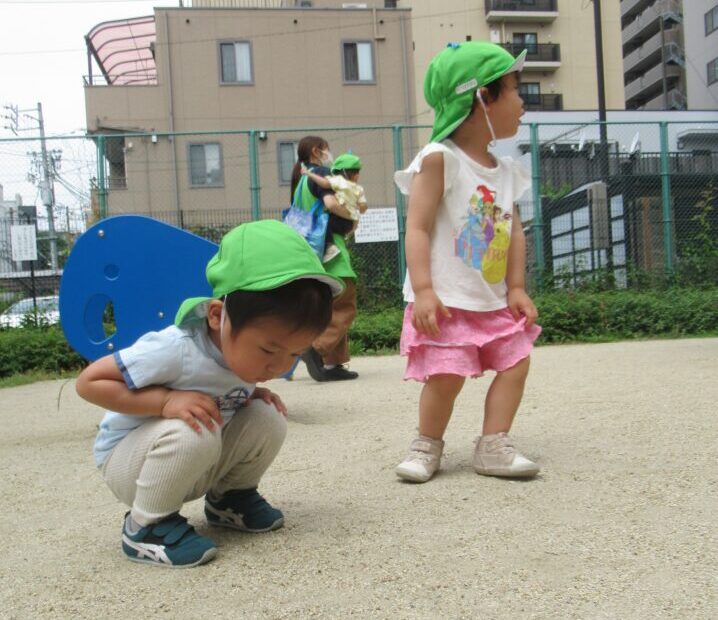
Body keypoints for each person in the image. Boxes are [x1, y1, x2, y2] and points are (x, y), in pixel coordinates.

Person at [75, 220, 343, 567]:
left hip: (191, 457)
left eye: (294, 354)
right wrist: (165, 401)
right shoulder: (176, 348)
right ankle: (145, 527)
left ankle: (230, 500)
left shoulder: (239, 354)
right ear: (217, 316)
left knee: (267, 416)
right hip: (130, 464)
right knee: (195, 426)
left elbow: (217, 384)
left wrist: (249, 394)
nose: (278, 366)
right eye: (268, 350)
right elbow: (90, 382)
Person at [393, 41, 542, 483]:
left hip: (492, 299)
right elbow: (417, 227)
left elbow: (514, 232)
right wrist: (423, 290)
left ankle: (493, 443)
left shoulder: (507, 171)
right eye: (514, 90)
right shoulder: (440, 159)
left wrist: (516, 287)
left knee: (516, 362)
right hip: (447, 300)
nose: (522, 103)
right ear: (482, 97)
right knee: (446, 375)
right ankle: (427, 444)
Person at [289, 136, 361, 382]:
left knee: (331, 306)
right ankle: (316, 348)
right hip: (330, 248)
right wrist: (351, 213)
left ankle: (334, 363)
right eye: (326, 149)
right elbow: (330, 204)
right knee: (345, 302)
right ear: (315, 151)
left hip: (311, 250)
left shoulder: (300, 180)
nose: (329, 153)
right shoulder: (321, 174)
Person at [301, 152, 368, 262]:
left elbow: (324, 183)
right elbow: (363, 207)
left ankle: (329, 247)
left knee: (322, 222)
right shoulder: (359, 188)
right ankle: (343, 238)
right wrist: (357, 208)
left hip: (338, 219)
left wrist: (309, 174)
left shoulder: (338, 181)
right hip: (349, 223)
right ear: (355, 175)